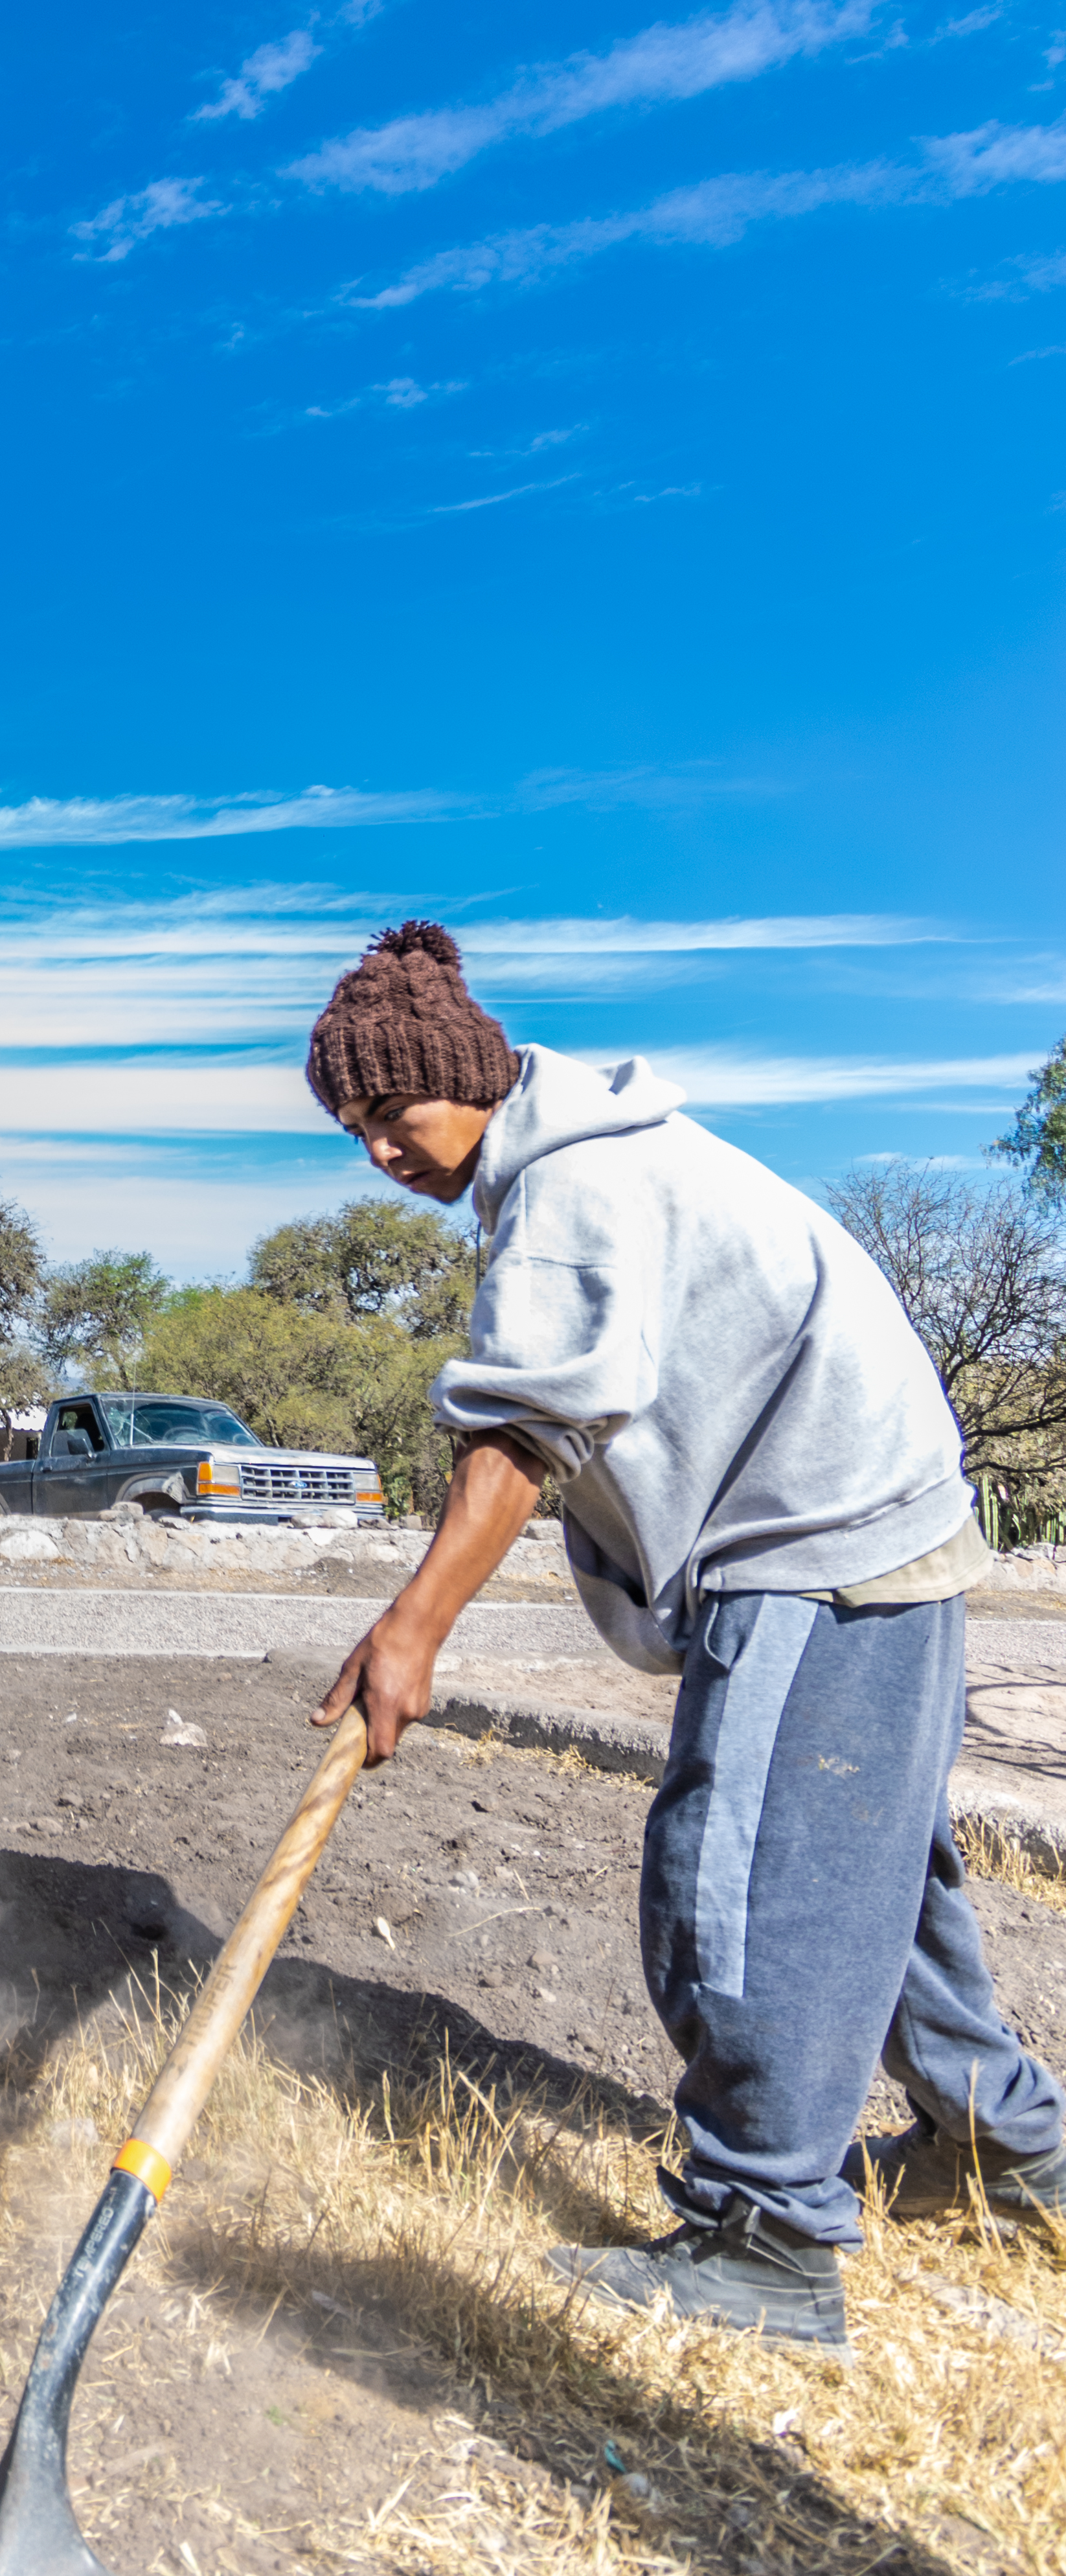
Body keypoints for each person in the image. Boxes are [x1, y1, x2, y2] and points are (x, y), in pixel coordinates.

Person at [305, 919, 1064, 2351]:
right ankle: (1004, 2147)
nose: (377, 1154)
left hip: (819, 1541)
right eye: (351, 1131)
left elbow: (527, 1422)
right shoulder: (587, 1157)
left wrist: (412, 1629)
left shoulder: (570, 1186)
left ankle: (766, 2241)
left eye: (389, 1116)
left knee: (742, 1877)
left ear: (463, 1079)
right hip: (865, 1523)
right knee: (855, 1865)